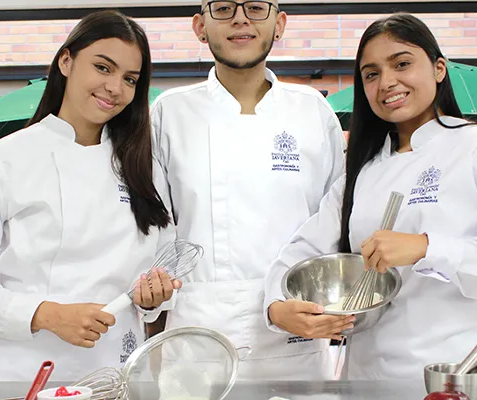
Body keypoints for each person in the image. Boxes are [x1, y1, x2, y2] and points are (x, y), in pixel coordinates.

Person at [264, 13, 477, 380]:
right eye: (371, 74)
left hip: (454, 374)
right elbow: (303, 249)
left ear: (439, 68)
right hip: (366, 377)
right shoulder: (362, 169)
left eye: (402, 64)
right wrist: (276, 308)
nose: (387, 82)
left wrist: (426, 247)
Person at [0, 10, 181, 382]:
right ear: (66, 61)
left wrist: (154, 297)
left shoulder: (143, 168)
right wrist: (47, 314)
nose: (115, 87)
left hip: (121, 369)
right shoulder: (1, 160)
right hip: (23, 371)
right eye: (103, 68)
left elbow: (162, 265)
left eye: (130, 79)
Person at [147, 0, 351, 380]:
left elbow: (336, 223)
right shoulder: (170, 112)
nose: (240, 19)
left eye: (256, 7)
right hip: (199, 334)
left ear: (280, 23)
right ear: (200, 26)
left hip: (296, 327)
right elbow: (155, 229)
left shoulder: (311, 111)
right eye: (223, 7)